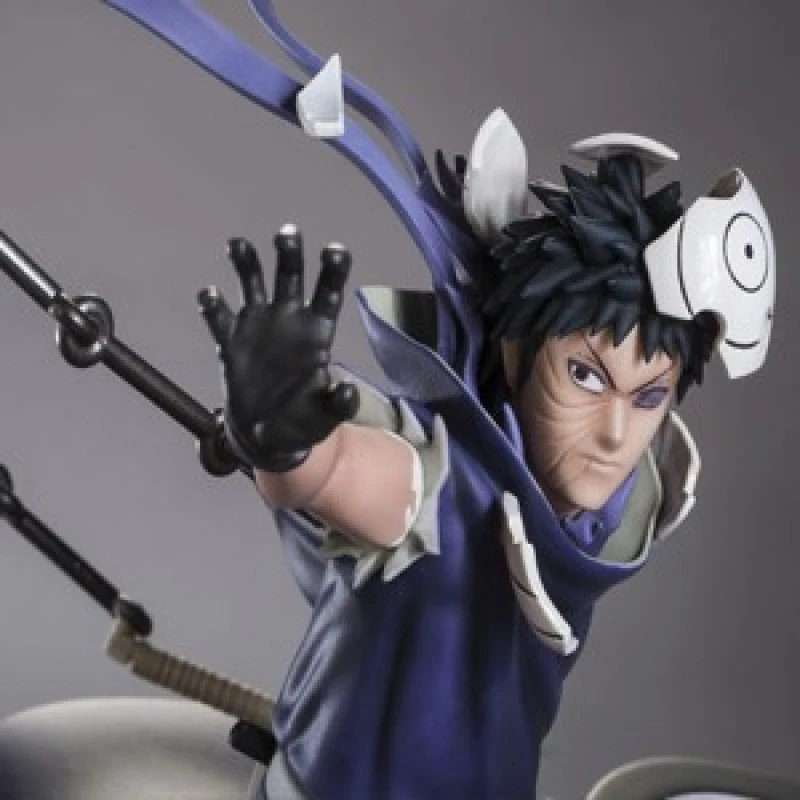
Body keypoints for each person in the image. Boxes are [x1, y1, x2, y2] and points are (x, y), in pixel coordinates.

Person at [198, 141, 775, 799]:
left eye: (648, 397)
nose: (615, 434)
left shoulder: (619, 508)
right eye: (585, 377)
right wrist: (291, 442)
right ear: (515, 349)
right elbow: (361, 475)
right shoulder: (450, 480)